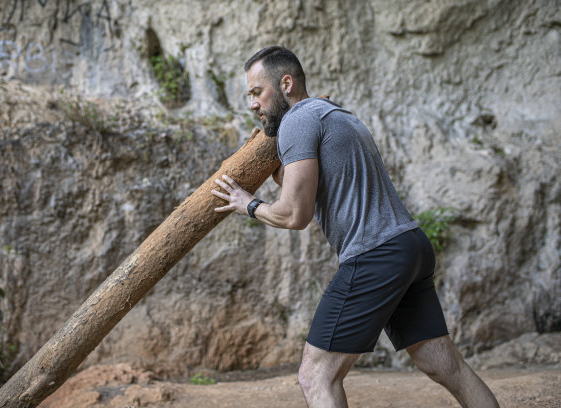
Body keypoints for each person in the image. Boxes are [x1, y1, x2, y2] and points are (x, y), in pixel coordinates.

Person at [211, 46, 499, 408]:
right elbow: (313, 185)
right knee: (442, 363)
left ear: (286, 84)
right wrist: (274, 169)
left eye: (257, 92)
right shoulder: (333, 114)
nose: (252, 104)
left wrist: (247, 204)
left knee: (316, 374)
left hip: (375, 253)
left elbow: (294, 215)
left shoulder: (297, 120)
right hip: (409, 246)